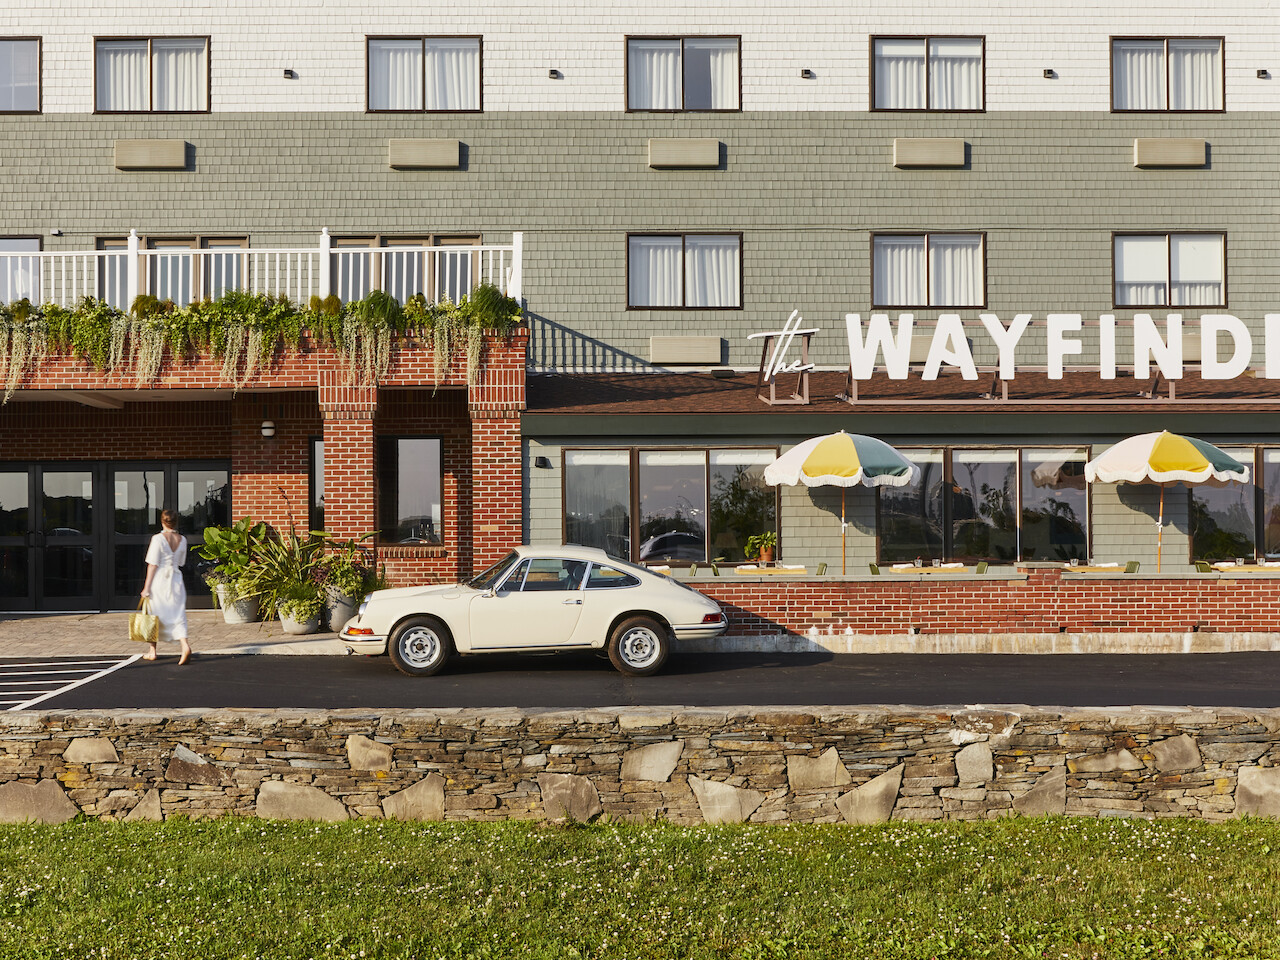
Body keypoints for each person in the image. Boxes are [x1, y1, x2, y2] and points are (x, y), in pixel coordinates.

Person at [140, 508, 192, 665]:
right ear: (176, 522)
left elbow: (153, 565)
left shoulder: (157, 539)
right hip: (176, 579)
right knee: (178, 614)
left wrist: (146, 587)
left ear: (162, 521)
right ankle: (185, 646)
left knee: (153, 614)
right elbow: (181, 562)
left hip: (160, 579)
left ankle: (152, 651)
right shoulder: (182, 540)